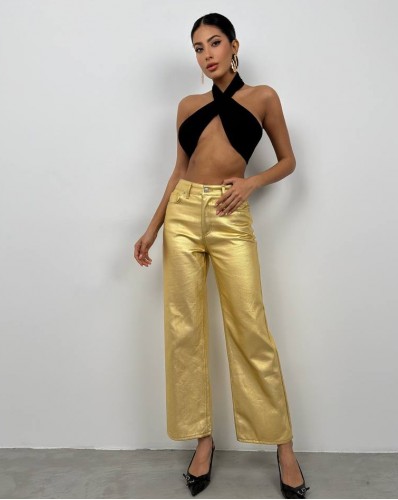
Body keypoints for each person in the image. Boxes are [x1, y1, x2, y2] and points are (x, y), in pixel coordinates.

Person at [134, 12, 310, 499]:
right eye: (198, 47)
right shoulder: (187, 105)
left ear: (234, 45)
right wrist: (152, 228)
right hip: (183, 215)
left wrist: (253, 183)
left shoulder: (263, 97)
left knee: (251, 327)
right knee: (184, 329)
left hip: (231, 215)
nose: (206, 54)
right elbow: (178, 171)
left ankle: (284, 448)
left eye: (214, 43)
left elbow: (288, 160)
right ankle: (203, 442)